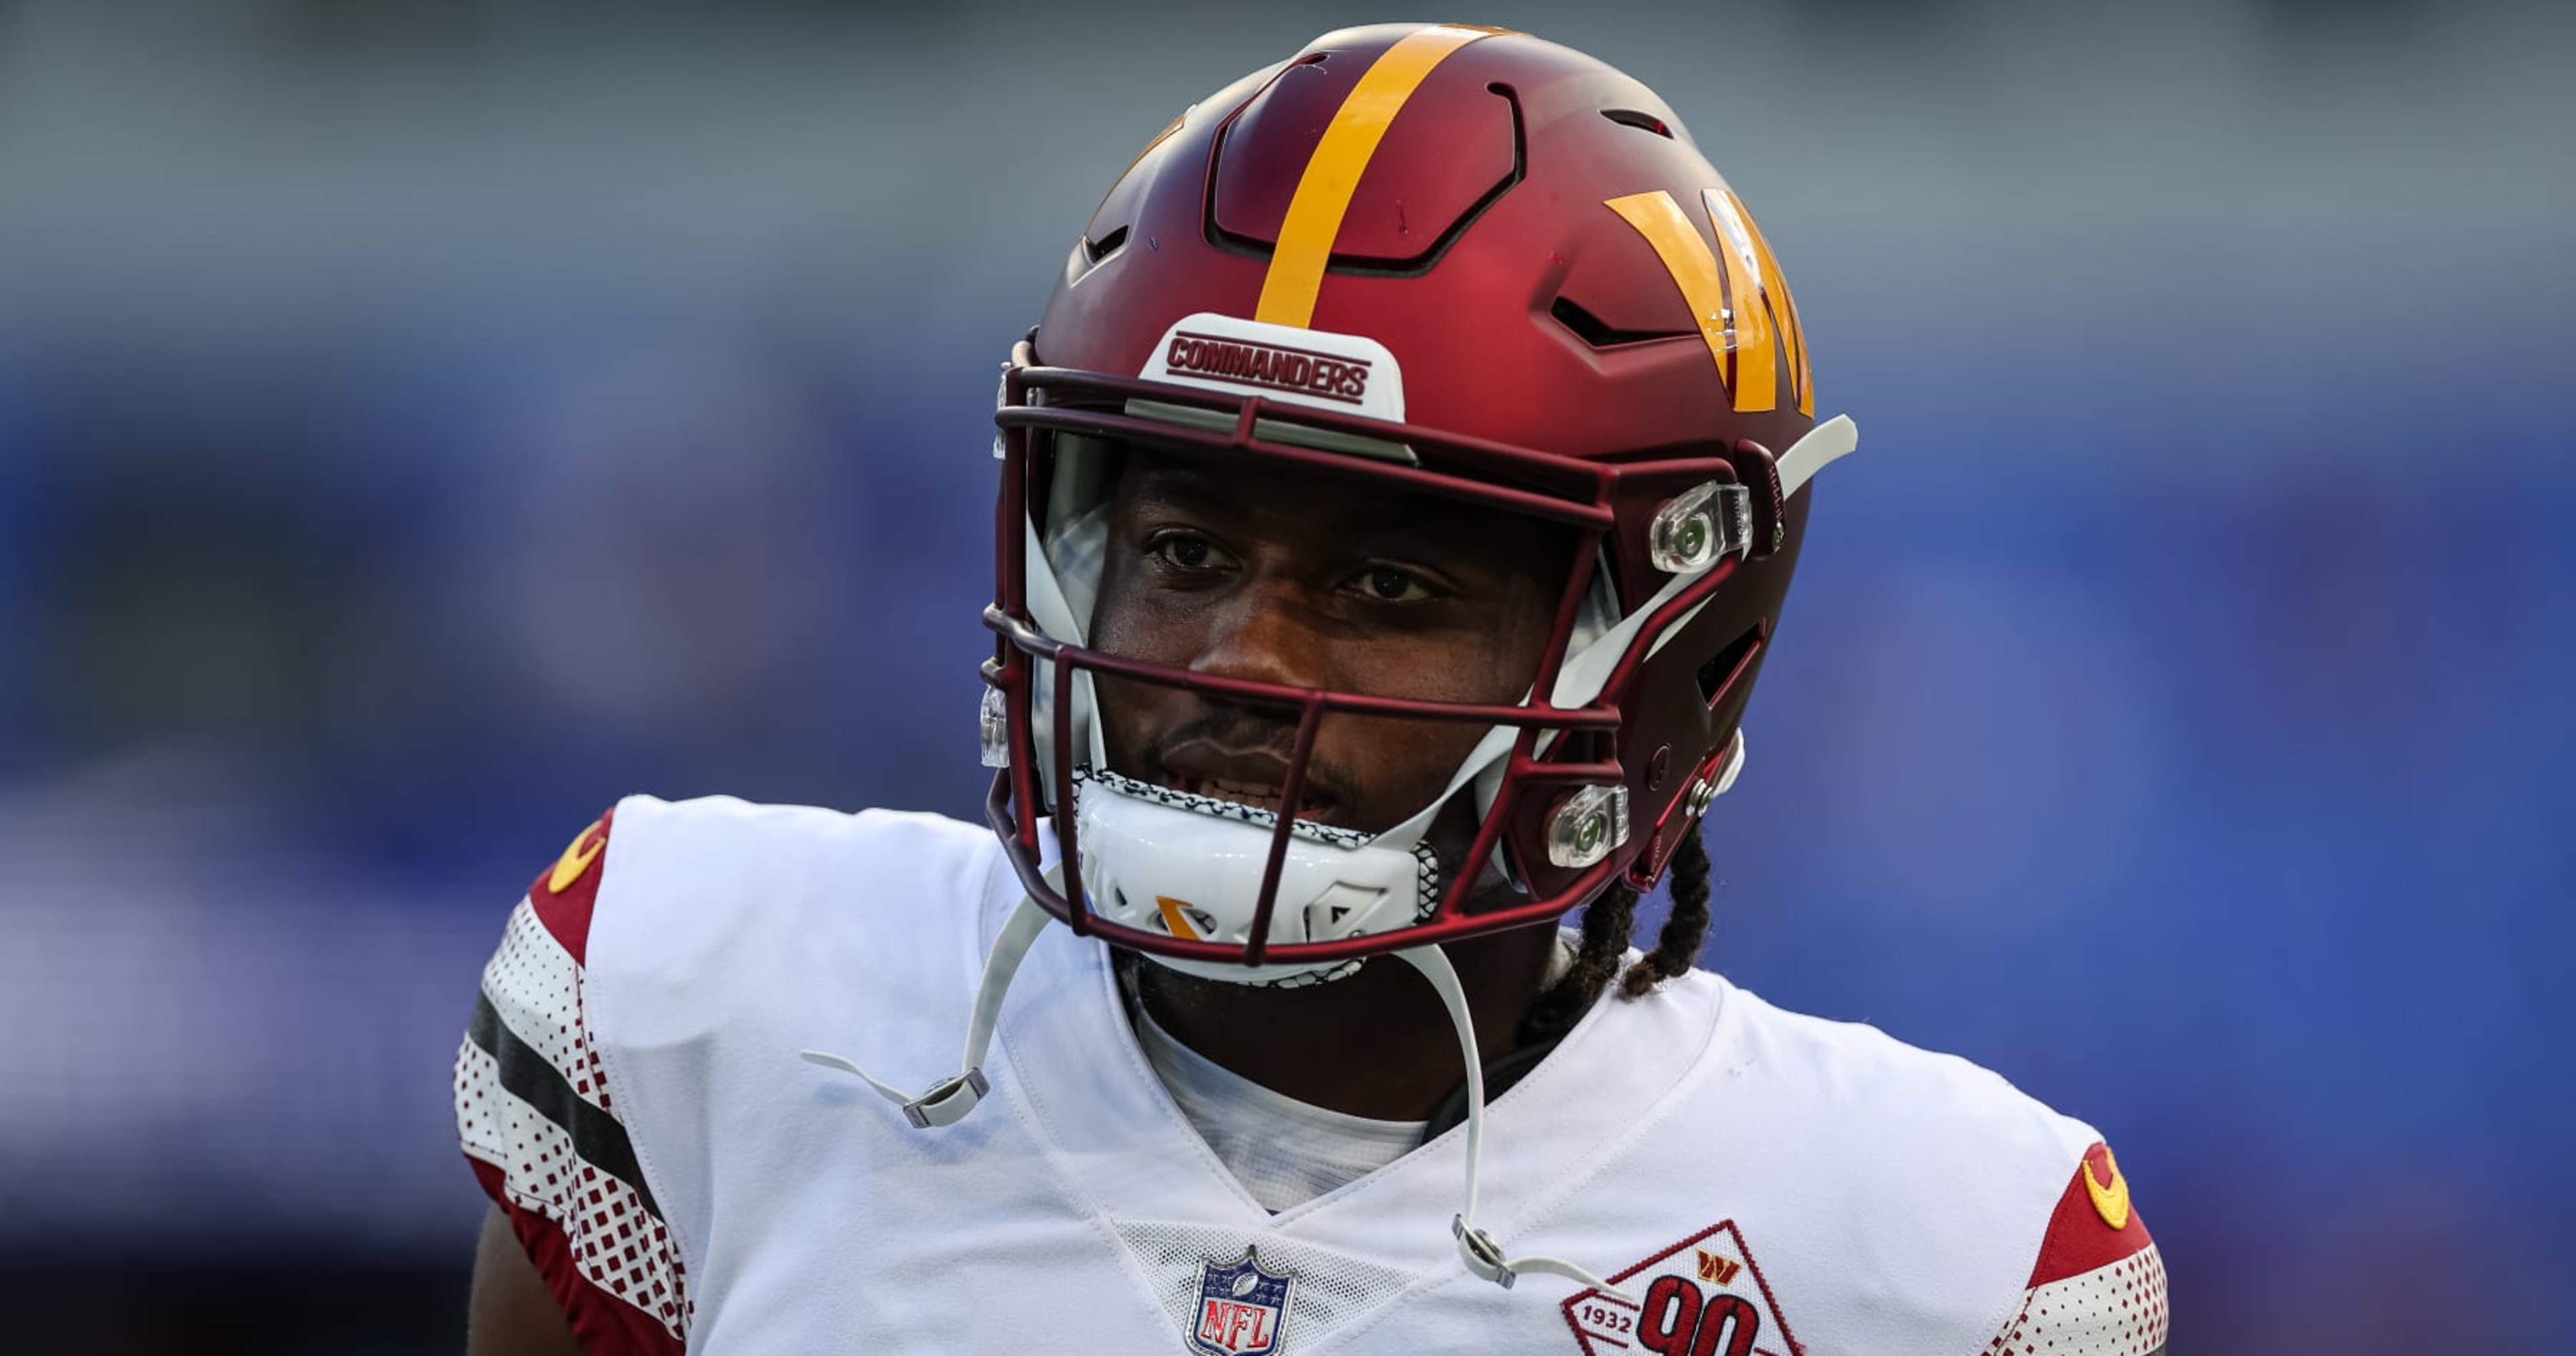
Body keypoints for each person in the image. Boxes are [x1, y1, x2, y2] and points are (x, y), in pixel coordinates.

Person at [456, 23, 2167, 1356]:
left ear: (1675, 657)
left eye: (1386, 586)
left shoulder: (1926, 1264)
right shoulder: (708, 1015)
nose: (1241, 661)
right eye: (1189, 551)